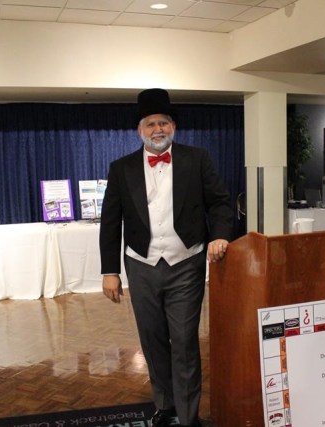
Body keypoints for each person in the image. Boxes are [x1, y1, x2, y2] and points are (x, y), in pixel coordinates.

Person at [99, 89, 233, 427]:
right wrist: (109, 270)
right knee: (152, 338)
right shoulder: (121, 168)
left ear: (173, 126)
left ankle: (188, 417)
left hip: (186, 262)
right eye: (150, 124)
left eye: (163, 122)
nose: (157, 129)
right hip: (141, 264)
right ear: (139, 130)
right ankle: (164, 403)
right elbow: (111, 222)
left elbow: (220, 202)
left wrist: (219, 235)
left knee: (185, 341)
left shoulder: (197, 159)